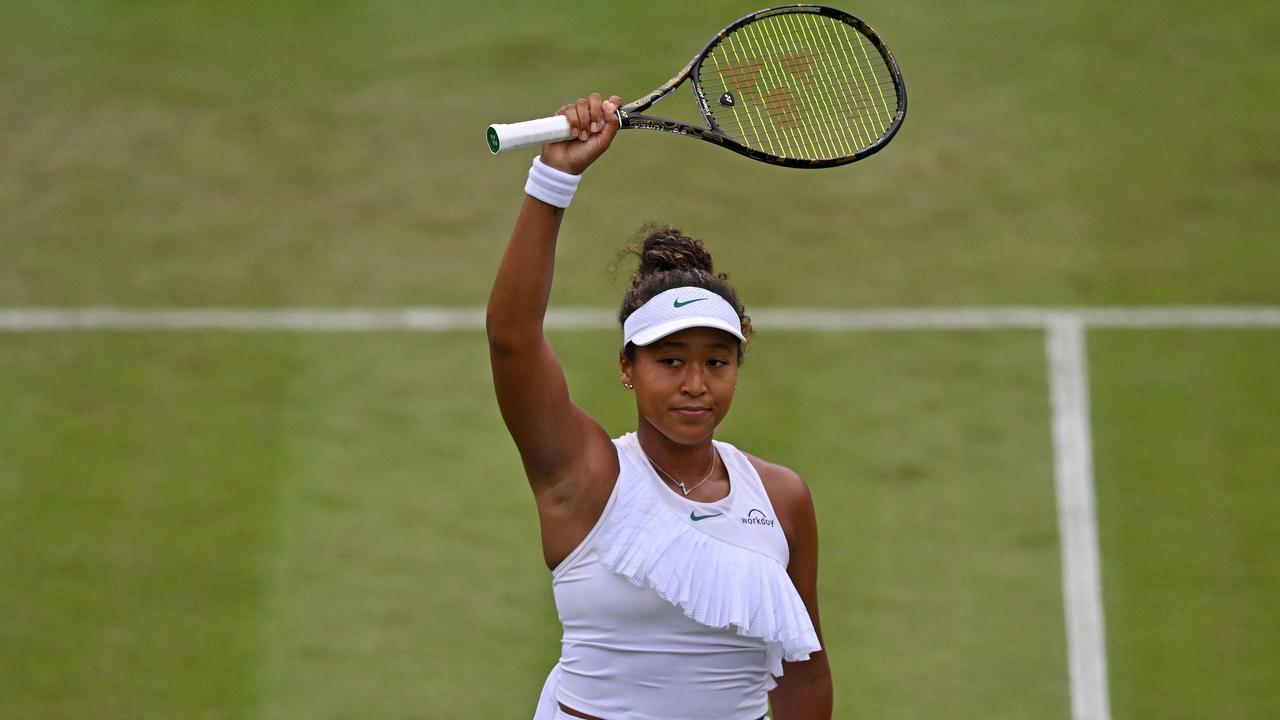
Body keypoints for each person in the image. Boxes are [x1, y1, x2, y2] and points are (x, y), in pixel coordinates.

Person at [487, 92, 832, 720]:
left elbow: (802, 670)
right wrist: (553, 179)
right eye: (670, 361)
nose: (695, 383)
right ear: (627, 369)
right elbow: (513, 341)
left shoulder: (782, 498)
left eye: (716, 362)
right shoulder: (582, 476)